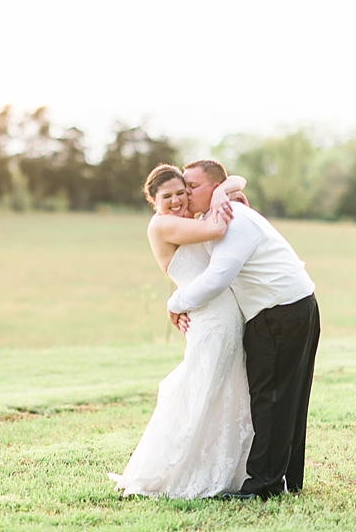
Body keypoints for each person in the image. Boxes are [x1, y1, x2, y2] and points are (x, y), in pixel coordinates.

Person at [168, 159, 320, 500]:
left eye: (191, 187)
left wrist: (176, 303)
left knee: (273, 399)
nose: (185, 193)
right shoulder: (217, 215)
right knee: (285, 397)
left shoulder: (234, 220)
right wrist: (227, 188)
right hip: (292, 307)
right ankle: (286, 480)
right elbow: (234, 180)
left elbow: (218, 278)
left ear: (213, 187)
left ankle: (263, 486)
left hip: (280, 312)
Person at [109, 164, 255, 499]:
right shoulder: (162, 225)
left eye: (182, 192)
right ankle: (180, 471)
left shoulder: (188, 217)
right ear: (153, 200)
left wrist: (219, 191)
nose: (177, 200)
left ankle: (229, 468)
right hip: (209, 319)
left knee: (225, 391)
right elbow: (218, 228)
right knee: (199, 388)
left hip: (225, 316)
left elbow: (236, 180)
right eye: (167, 196)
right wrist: (221, 199)